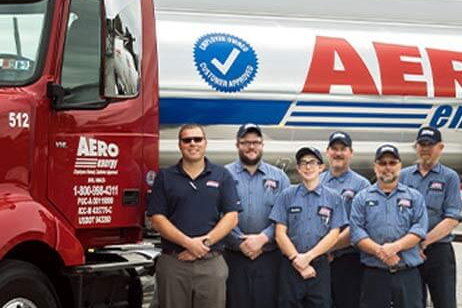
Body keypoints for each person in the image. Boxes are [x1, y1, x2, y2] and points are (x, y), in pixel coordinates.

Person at [146, 124, 242, 308]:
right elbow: (157, 220)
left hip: (211, 262)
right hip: (174, 263)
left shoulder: (222, 175)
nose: (192, 144)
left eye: (197, 139)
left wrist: (203, 244)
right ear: (180, 144)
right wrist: (188, 244)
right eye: (187, 140)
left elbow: (231, 217)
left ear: (205, 143)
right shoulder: (165, 177)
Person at [349, 144, 428, 308]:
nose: (387, 167)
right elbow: (357, 232)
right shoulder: (361, 198)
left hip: (407, 273)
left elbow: (419, 229)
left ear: (400, 166)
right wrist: (380, 252)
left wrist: (395, 247)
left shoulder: (414, 197)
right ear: (375, 167)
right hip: (375, 274)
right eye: (382, 163)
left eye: (392, 163)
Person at [271, 147, 347, 308]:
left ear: (321, 167)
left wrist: (308, 257)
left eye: (312, 162)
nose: (308, 167)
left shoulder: (334, 198)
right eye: (303, 163)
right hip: (290, 265)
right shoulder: (286, 195)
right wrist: (296, 259)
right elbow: (280, 233)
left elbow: (334, 234)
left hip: (319, 266)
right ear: (298, 168)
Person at [225, 123, 288, 308]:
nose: (251, 147)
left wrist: (263, 238)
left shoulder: (280, 177)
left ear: (262, 145)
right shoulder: (224, 175)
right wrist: (239, 242)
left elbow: (285, 216)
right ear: (237, 145)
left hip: (269, 257)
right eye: (246, 142)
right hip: (234, 256)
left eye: (256, 142)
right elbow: (219, 213)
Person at [402, 127, 462, 308]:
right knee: (412, 302)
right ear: (416, 147)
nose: (425, 149)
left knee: (444, 302)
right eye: (422, 144)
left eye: (430, 145)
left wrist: (423, 242)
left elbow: (452, 218)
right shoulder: (404, 176)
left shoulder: (450, 177)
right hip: (409, 251)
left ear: (440, 147)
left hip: (438, 251)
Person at [321, 131, 373, 308]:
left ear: (351, 153)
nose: (338, 153)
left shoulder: (362, 185)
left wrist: (327, 248)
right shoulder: (316, 181)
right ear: (327, 152)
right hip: (319, 261)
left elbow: (358, 226)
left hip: (348, 260)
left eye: (343, 149)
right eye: (334, 149)